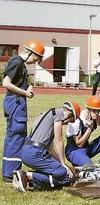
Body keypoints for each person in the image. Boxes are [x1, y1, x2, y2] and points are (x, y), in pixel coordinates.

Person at [12, 101, 81, 192]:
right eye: (70, 121)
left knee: (61, 171)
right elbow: (58, 140)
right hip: (35, 153)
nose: (67, 124)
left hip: (26, 151)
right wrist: (64, 166)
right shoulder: (58, 114)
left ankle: (26, 179)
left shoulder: (46, 115)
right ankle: (26, 176)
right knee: (65, 176)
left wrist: (64, 165)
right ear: (69, 114)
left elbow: (51, 151)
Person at [2, 40, 44, 184]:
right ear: (30, 53)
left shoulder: (18, 62)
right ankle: (10, 173)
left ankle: (9, 172)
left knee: (14, 136)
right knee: (17, 137)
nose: (35, 62)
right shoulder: (17, 62)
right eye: (36, 58)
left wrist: (27, 89)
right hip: (15, 102)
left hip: (15, 102)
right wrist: (25, 93)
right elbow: (6, 83)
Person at [65, 96, 100, 167]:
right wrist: (89, 128)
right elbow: (79, 144)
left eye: (98, 110)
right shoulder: (77, 121)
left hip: (85, 148)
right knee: (89, 166)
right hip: (74, 150)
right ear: (88, 109)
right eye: (94, 110)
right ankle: (79, 165)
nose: (96, 113)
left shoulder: (98, 117)